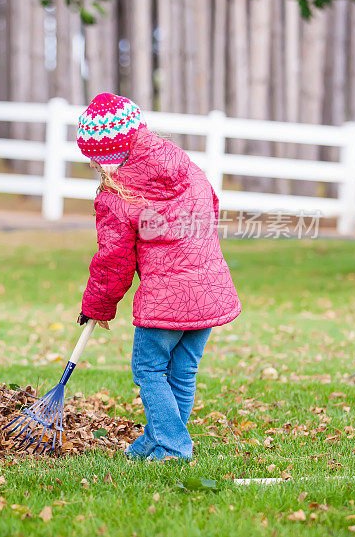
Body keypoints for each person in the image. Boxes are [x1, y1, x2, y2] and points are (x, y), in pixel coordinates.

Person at [76, 92, 241, 461]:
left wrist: (97, 307)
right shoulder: (185, 166)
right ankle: (156, 441)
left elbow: (112, 262)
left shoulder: (116, 196)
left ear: (104, 157)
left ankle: (173, 446)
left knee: (149, 370)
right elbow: (211, 207)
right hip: (209, 289)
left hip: (166, 300)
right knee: (183, 371)